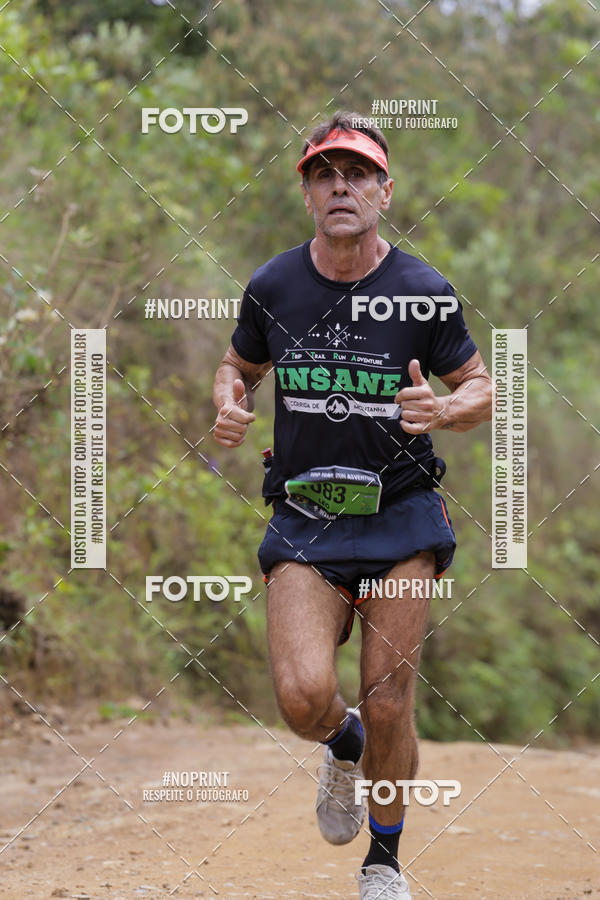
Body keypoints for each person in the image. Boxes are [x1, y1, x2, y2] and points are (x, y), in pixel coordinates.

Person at [212, 110, 492, 899]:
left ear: (383, 191)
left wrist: (443, 410)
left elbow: (482, 389)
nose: (342, 186)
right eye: (325, 175)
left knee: (390, 690)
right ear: (307, 194)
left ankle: (385, 861)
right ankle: (344, 744)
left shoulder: (422, 291)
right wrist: (230, 402)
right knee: (304, 697)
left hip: (401, 517)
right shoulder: (274, 286)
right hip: (306, 519)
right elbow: (235, 366)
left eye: (358, 174)